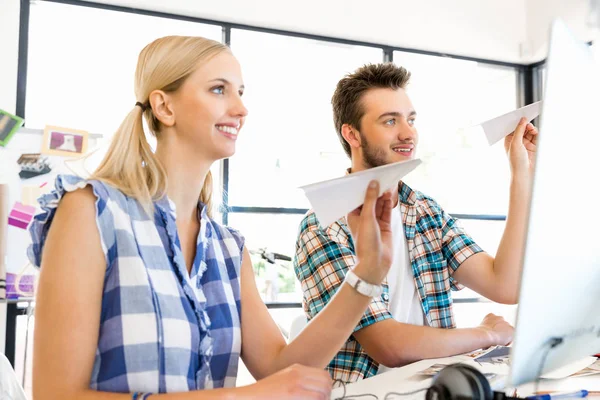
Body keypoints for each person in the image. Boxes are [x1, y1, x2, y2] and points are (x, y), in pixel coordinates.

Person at [28, 36, 395, 399]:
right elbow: (55, 394)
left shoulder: (228, 249)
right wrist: (240, 397)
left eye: (240, 92)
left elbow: (280, 367)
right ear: (164, 107)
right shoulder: (90, 211)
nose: (241, 109)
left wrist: (366, 273)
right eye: (219, 90)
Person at [294, 63, 538, 383]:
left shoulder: (424, 212)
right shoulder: (323, 228)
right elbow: (389, 346)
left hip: (432, 388)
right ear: (352, 134)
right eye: (390, 121)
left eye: (410, 119)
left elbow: (504, 285)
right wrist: (487, 334)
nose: (408, 133)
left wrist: (521, 173)